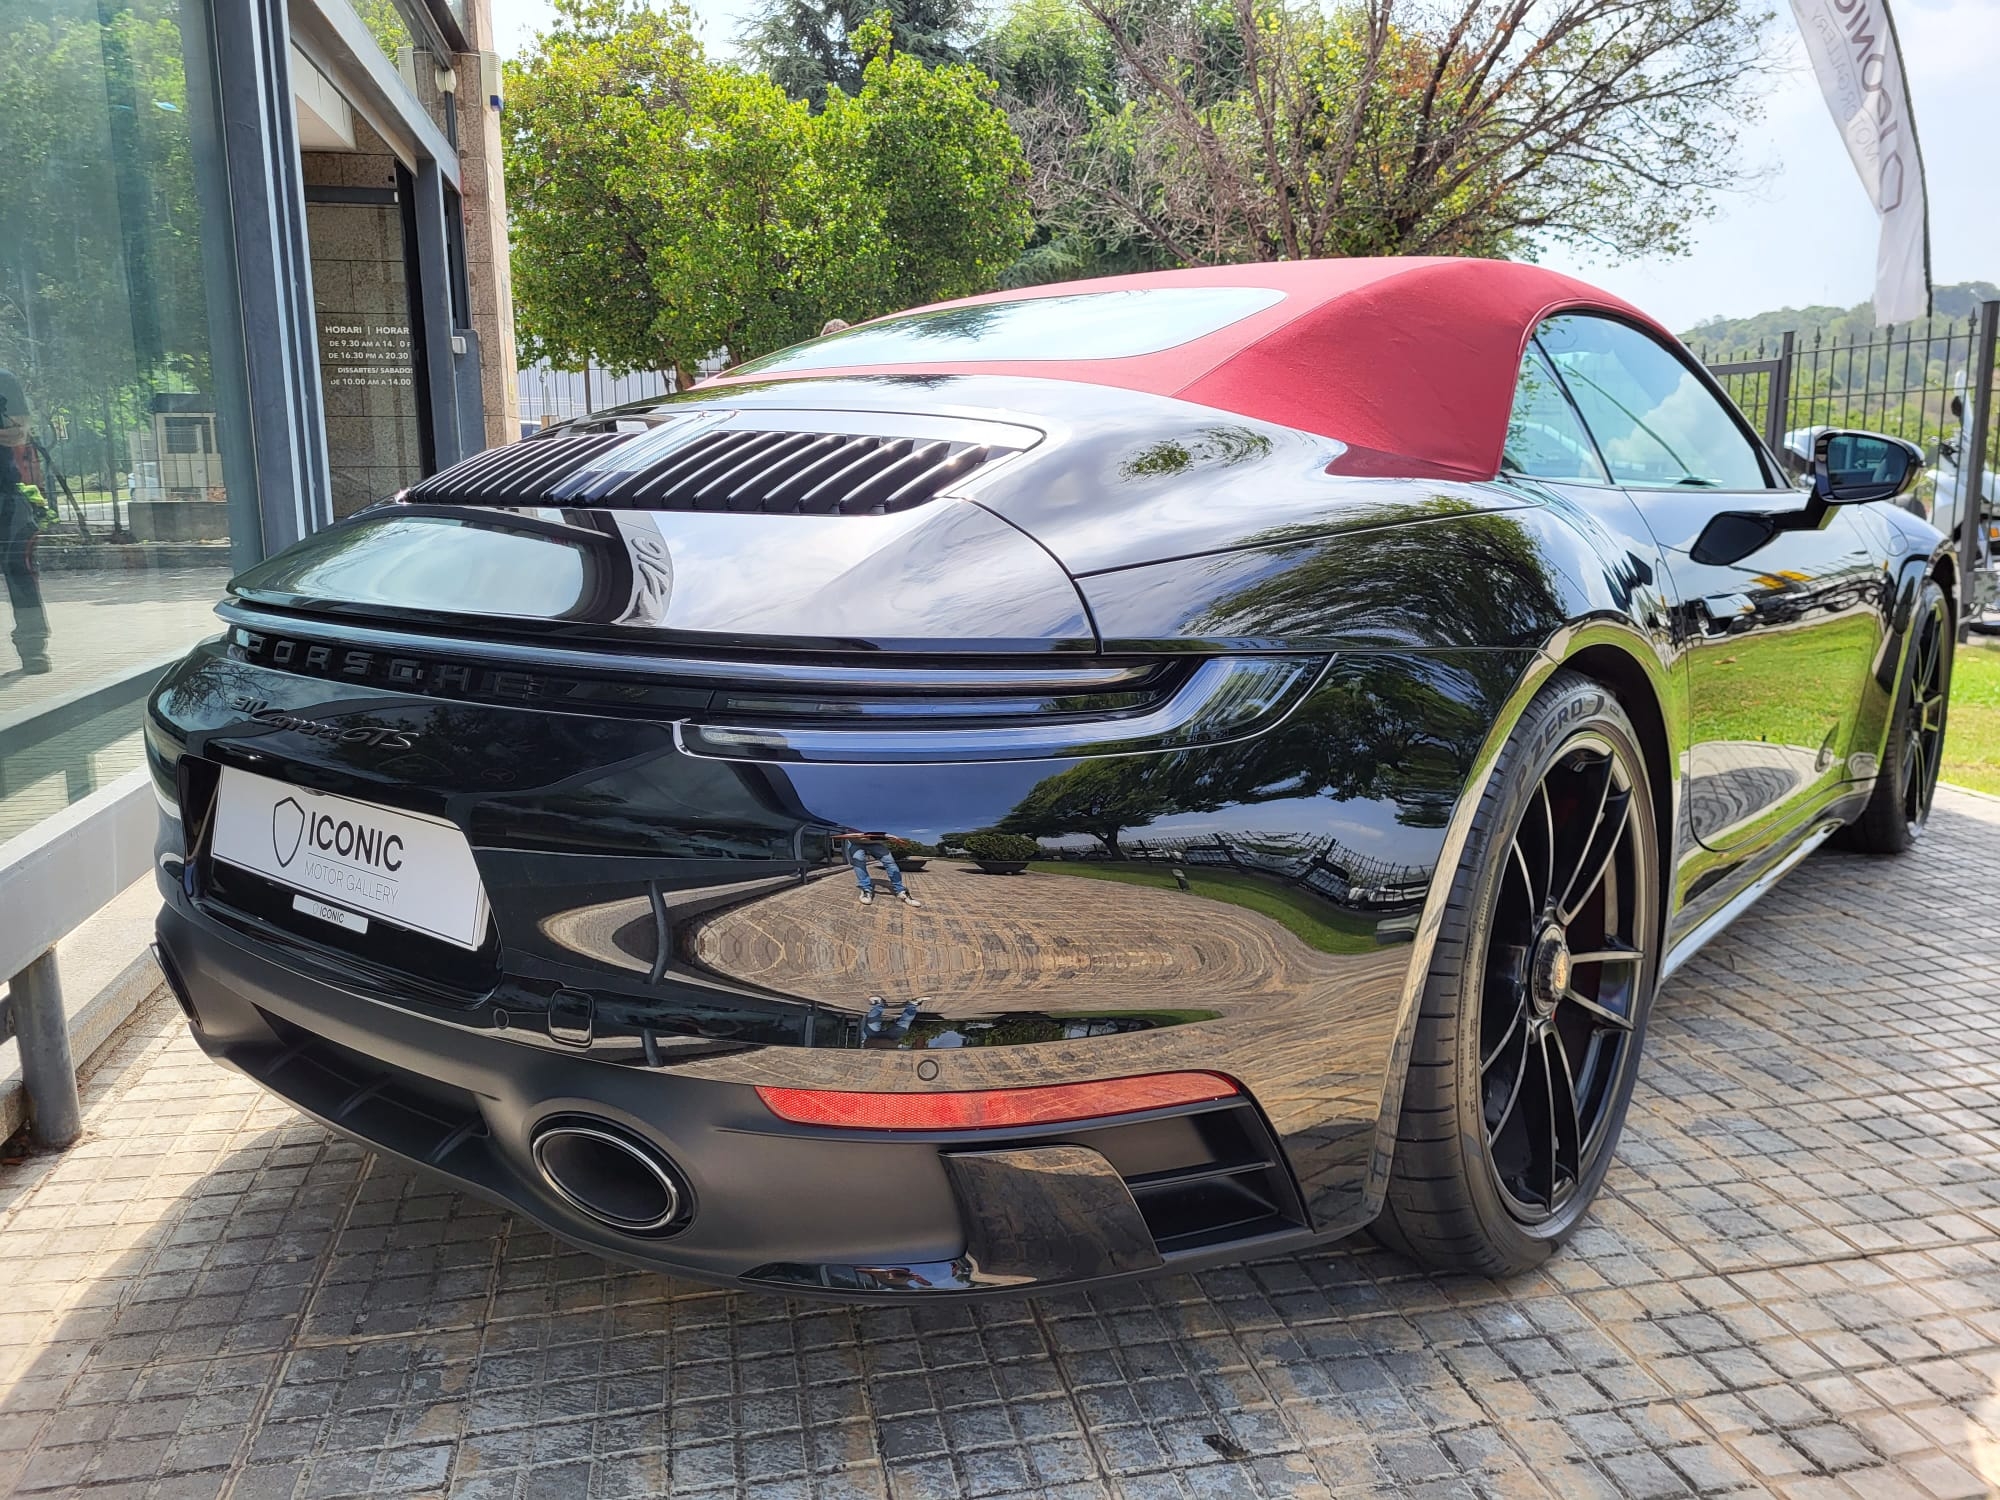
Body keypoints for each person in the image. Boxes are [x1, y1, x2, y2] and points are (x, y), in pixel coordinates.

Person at [0, 368, 50, 674]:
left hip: (5, 495)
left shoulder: (5, 380)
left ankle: (34, 650)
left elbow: (20, 432)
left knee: (20, 571)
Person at [837, 831, 921, 907]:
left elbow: (890, 838)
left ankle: (901, 891)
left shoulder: (887, 836)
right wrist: (857, 837)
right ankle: (866, 889)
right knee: (858, 861)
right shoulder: (857, 834)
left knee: (889, 861)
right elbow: (843, 836)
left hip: (875, 844)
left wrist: (897, 840)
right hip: (856, 843)